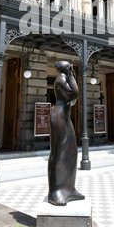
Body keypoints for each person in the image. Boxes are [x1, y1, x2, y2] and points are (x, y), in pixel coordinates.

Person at [48, 61, 85, 206]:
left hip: (66, 117)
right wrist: (73, 76)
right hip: (59, 116)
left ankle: (69, 188)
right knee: (58, 153)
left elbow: (74, 99)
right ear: (64, 68)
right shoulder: (61, 79)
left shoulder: (66, 78)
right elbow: (75, 93)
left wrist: (72, 76)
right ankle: (55, 191)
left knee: (71, 152)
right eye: (69, 66)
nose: (71, 68)